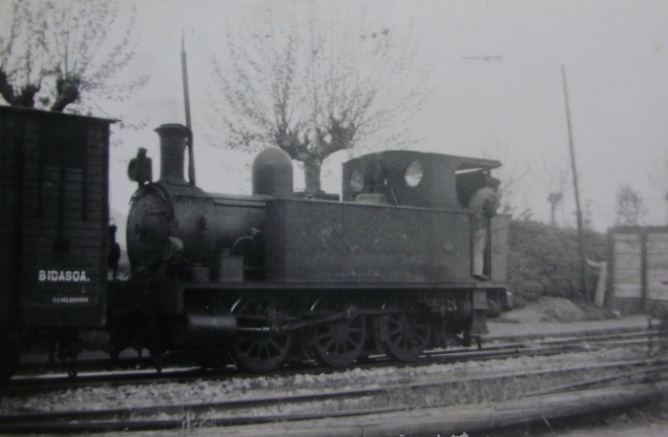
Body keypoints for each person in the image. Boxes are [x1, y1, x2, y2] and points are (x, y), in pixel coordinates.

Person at [469, 177, 501, 280]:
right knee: (478, 248)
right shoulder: (491, 194)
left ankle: (471, 271)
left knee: (472, 247)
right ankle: (477, 272)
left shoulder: (479, 192)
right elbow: (491, 212)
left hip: (471, 222)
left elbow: (479, 206)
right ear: (495, 186)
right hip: (480, 223)